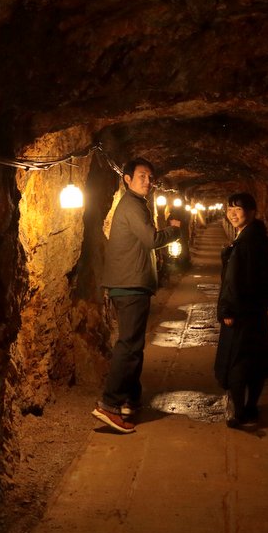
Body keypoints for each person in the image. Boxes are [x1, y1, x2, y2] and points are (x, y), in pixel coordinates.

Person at [93, 158, 182, 433]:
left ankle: (129, 400)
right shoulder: (132, 205)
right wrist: (175, 230)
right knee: (129, 346)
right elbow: (152, 240)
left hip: (131, 283)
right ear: (127, 179)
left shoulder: (136, 204)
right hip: (130, 285)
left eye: (150, 176)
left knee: (133, 345)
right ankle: (109, 404)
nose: (148, 180)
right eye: (142, 176)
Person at [214, 192, 268, 429]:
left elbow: (233, 280)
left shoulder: (245, 242)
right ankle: (251, 408)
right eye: (229, 208)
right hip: (256, 310)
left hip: (241, 311)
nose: (232, 213)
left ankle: (240, 412)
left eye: (238, 209)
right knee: (255, 361)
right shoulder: (258, 237)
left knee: (237, 362)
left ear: (251, 212)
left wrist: (226, 310)